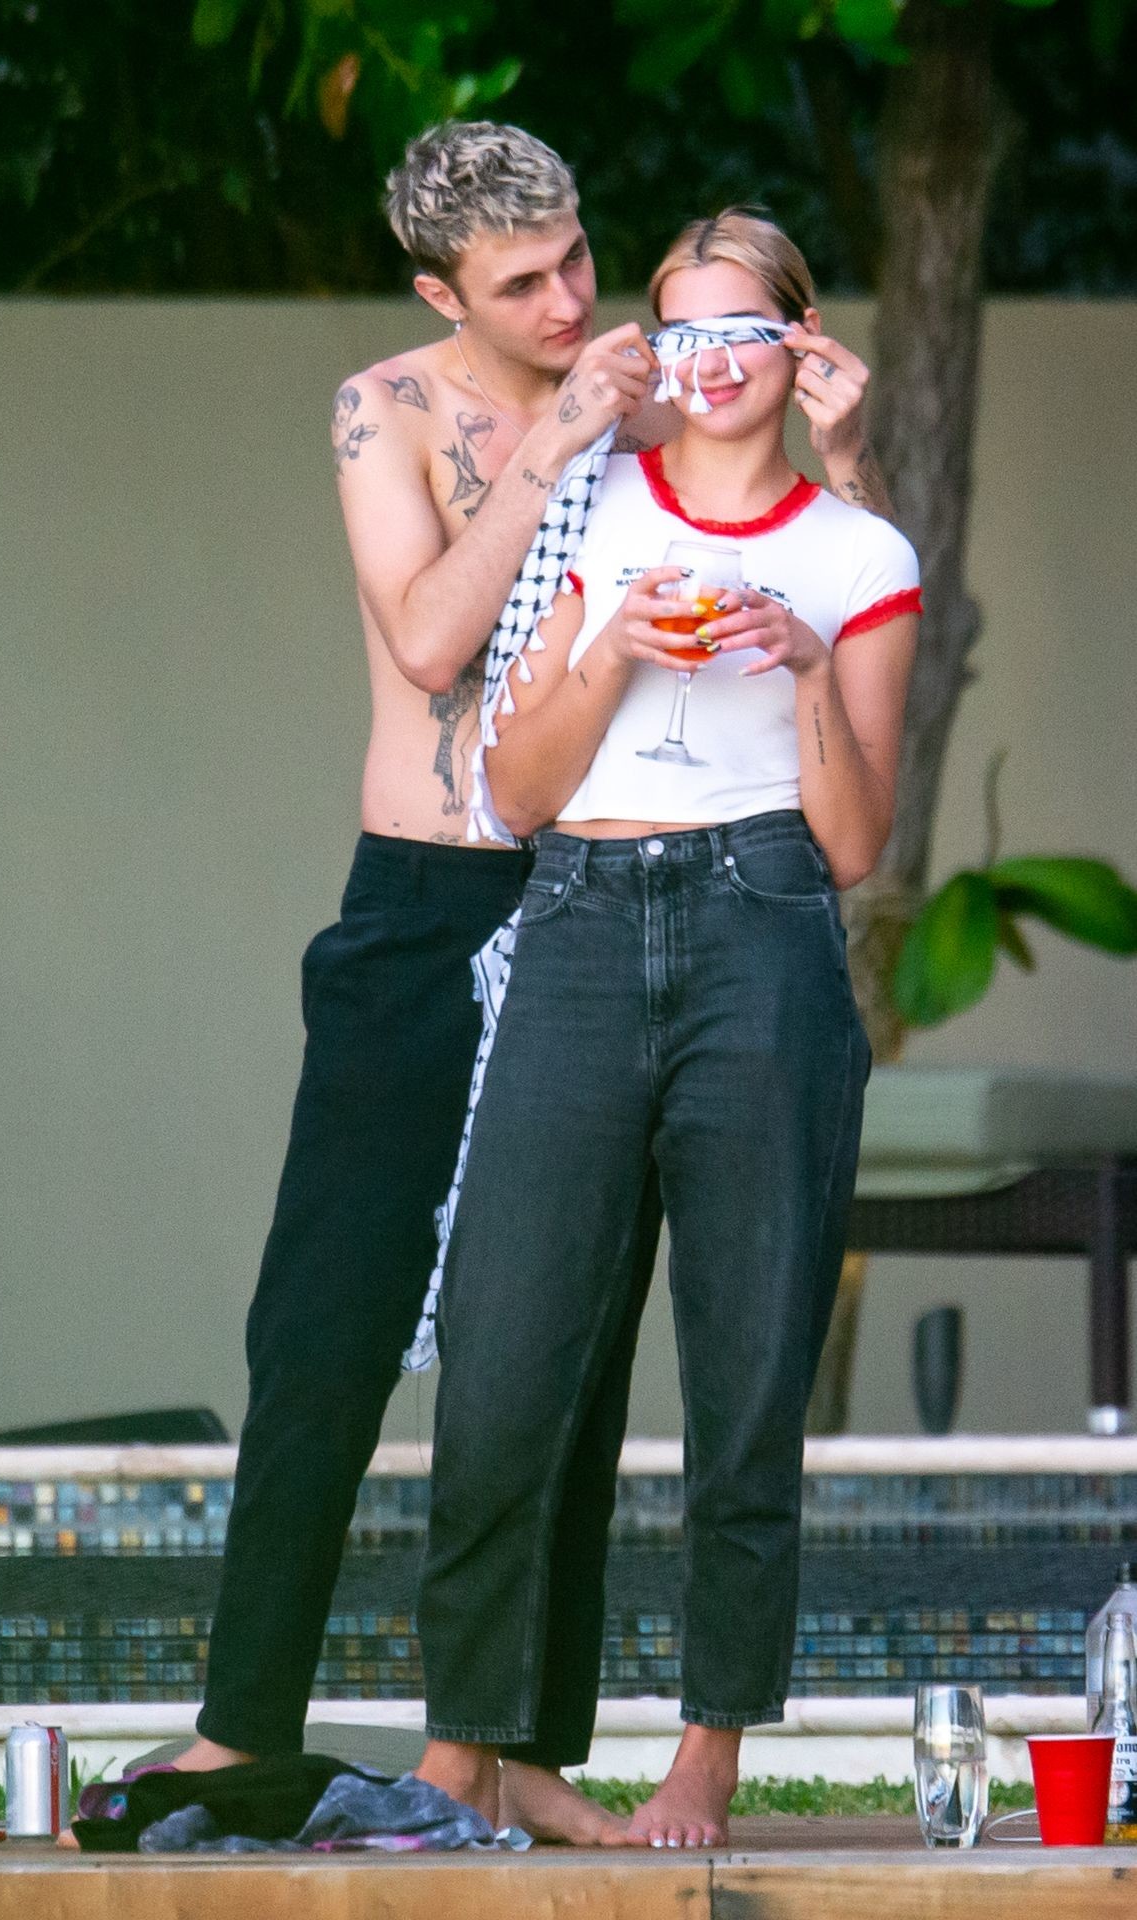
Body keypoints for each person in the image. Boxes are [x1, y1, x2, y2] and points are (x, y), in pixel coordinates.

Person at [162, 126, 885, 1848]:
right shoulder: (390, 411)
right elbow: (430, 643)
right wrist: (552, 447)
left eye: (576, 260)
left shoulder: (658, 397)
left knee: (569, 1338)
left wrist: (837, 447)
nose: (568, 301)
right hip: (426, 900)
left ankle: (511, 1748)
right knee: (328, 1312)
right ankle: (238, 1727)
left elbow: (823, 570)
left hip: (607, 891)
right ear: (443, 296)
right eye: (521, 283)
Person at [412, 208, 920, 1849]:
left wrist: (801, 666)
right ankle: (468, 1751)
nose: (706, 362)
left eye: (737, 331)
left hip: (763, 929)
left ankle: (708, 1748)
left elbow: (854, 846)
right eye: (678, 332)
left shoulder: (859, 557)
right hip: (577, 915)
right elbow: (513, 787)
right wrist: (613, 650)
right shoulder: (592, 503)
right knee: (504, 1352)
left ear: (796, 343)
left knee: (746, 1362)